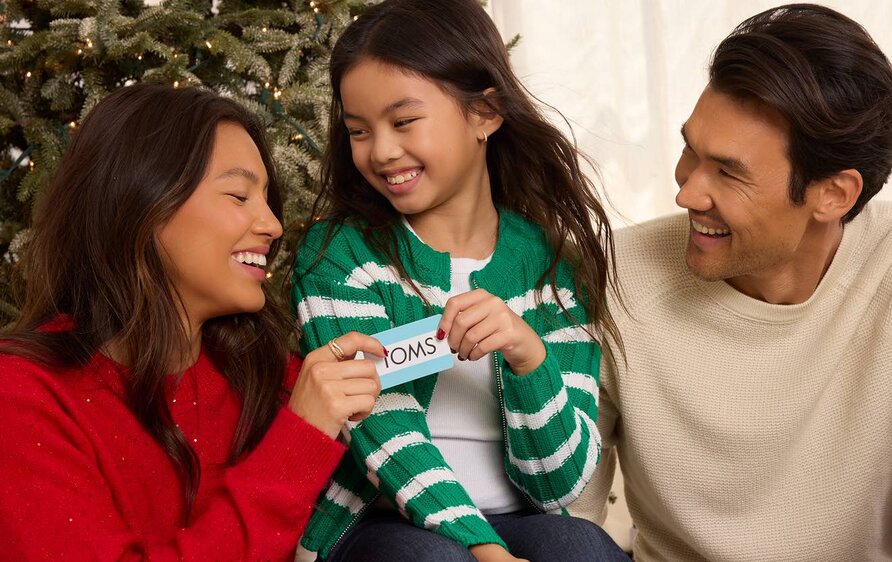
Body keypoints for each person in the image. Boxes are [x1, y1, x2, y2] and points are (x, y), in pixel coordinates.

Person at [290, 1, 630, 560]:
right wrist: (484, 551)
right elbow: (384, 429)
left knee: (581, 544)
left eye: (403, 122)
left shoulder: (551, 267)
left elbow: (559, 485)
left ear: (485, 114)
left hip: (519, 519)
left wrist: (528, 356)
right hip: (379, 524)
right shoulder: (341, 257)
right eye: (359, 130)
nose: (381, 151)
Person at [0, 83, 387, 560]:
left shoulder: (269, 375)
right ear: (142, 203)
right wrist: (298, 443)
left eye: (267, 198)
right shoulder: (22, 397)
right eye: (239, 195)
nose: (273, 224)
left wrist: (507, 355)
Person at [570, 4, 892, 561]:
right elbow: (562, 513)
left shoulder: (891, 271)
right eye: (689, 151)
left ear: (833, 195)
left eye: (727, 171)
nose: (688, 193)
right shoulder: (609, 274)